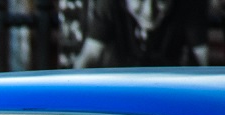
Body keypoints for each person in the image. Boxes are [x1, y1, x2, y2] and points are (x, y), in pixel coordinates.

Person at [73, 0, 209, 67]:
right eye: (139, 0)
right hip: (118, 88)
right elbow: (90, 54)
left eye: (160, 1)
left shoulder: (191, 4)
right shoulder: (108, 4)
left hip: (166, 90)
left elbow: (203, 59)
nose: (149, 12)